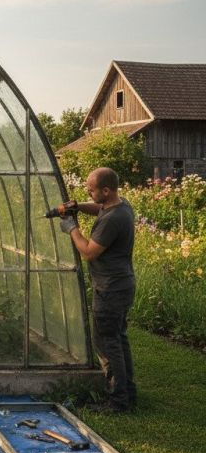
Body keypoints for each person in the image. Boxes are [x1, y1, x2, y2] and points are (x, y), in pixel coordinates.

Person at [60, 167, 137, 413]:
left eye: (91, 190)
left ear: (106, 190)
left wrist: (72, 227)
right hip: (121, 284)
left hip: (111, 289)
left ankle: (117, 401)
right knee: (118, 339)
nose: (88, 192)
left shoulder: (113, 220)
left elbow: (89, 252)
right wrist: (79, 206)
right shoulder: (120, 206)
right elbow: (99, 208)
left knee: (106, 343)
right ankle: (128, 392)